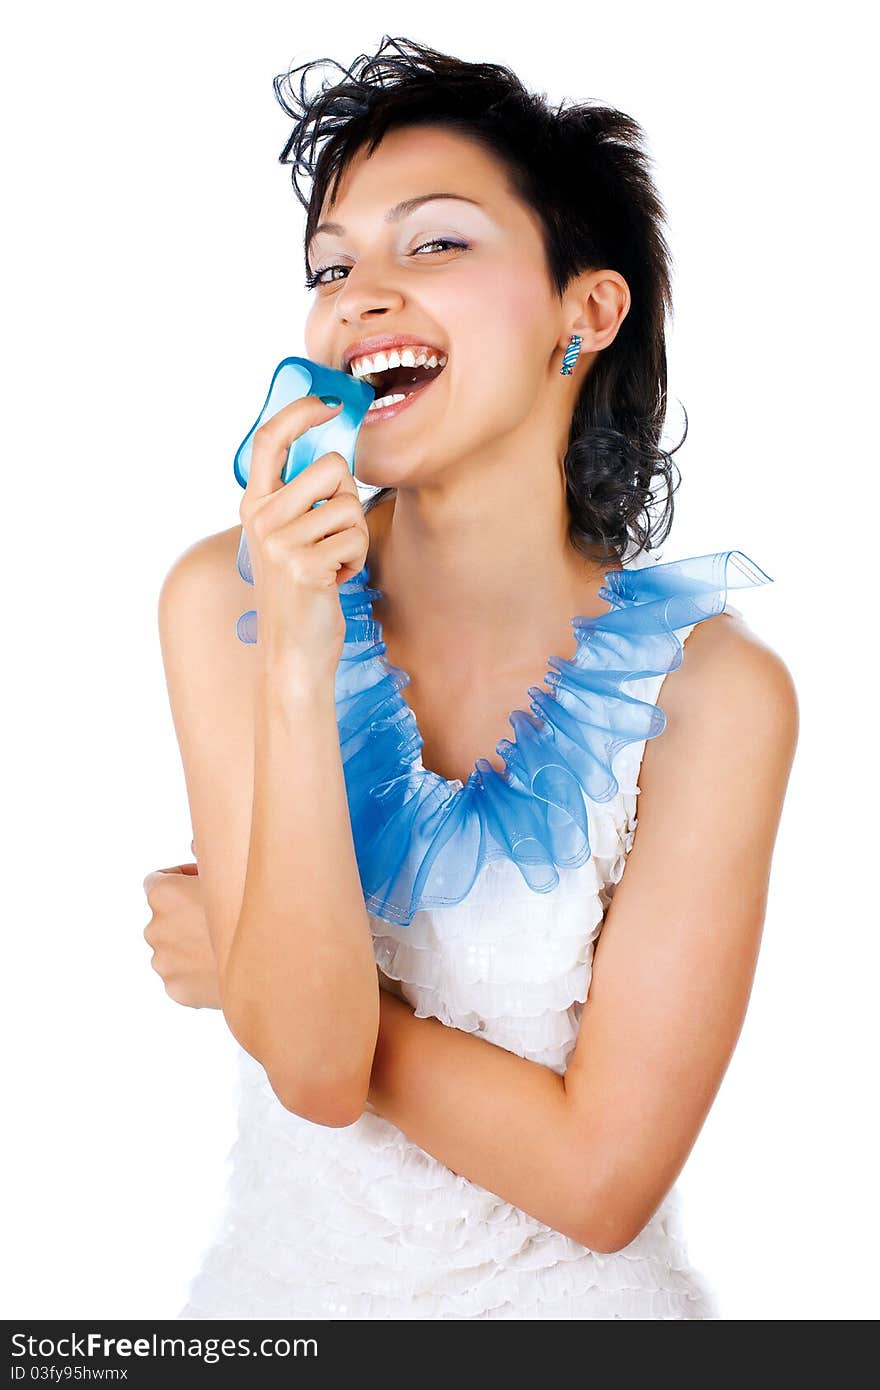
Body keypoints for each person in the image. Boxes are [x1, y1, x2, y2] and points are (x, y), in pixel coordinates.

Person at [143, 35, 798, 1319]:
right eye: (332, 265)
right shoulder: (227, 596)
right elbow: (314, 1071)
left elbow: (601, 1181)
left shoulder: (715, 694)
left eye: (432, 243)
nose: (359, 294)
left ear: (585, 311)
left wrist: (249, 965)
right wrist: (293, 653)